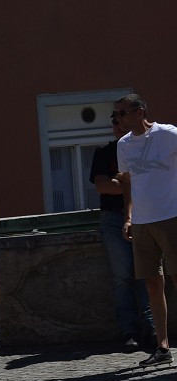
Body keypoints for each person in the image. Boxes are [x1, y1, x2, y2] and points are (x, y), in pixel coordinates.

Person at [114, 93, 176, 367]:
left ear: (140, 111)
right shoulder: (123, 145)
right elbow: (128, 183)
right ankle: (163, 347)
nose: (118, 119)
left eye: (122, 113)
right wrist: (128, 216)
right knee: (152, 282)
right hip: (142, 222)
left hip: (171, 215)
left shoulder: (168, 134)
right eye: (116, 114)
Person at [91, 116, 155, 352]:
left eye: (123, 122)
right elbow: (102, 186)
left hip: (145, 215)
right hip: (112, 218)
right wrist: (131, 183)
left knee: (147, 273)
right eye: (116, 123)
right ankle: (130, 330)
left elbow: (149, 182)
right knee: (123, 274)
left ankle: (152, 328)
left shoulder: (143, 149)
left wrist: (123, 182)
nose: (120, 127)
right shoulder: (104, 152)